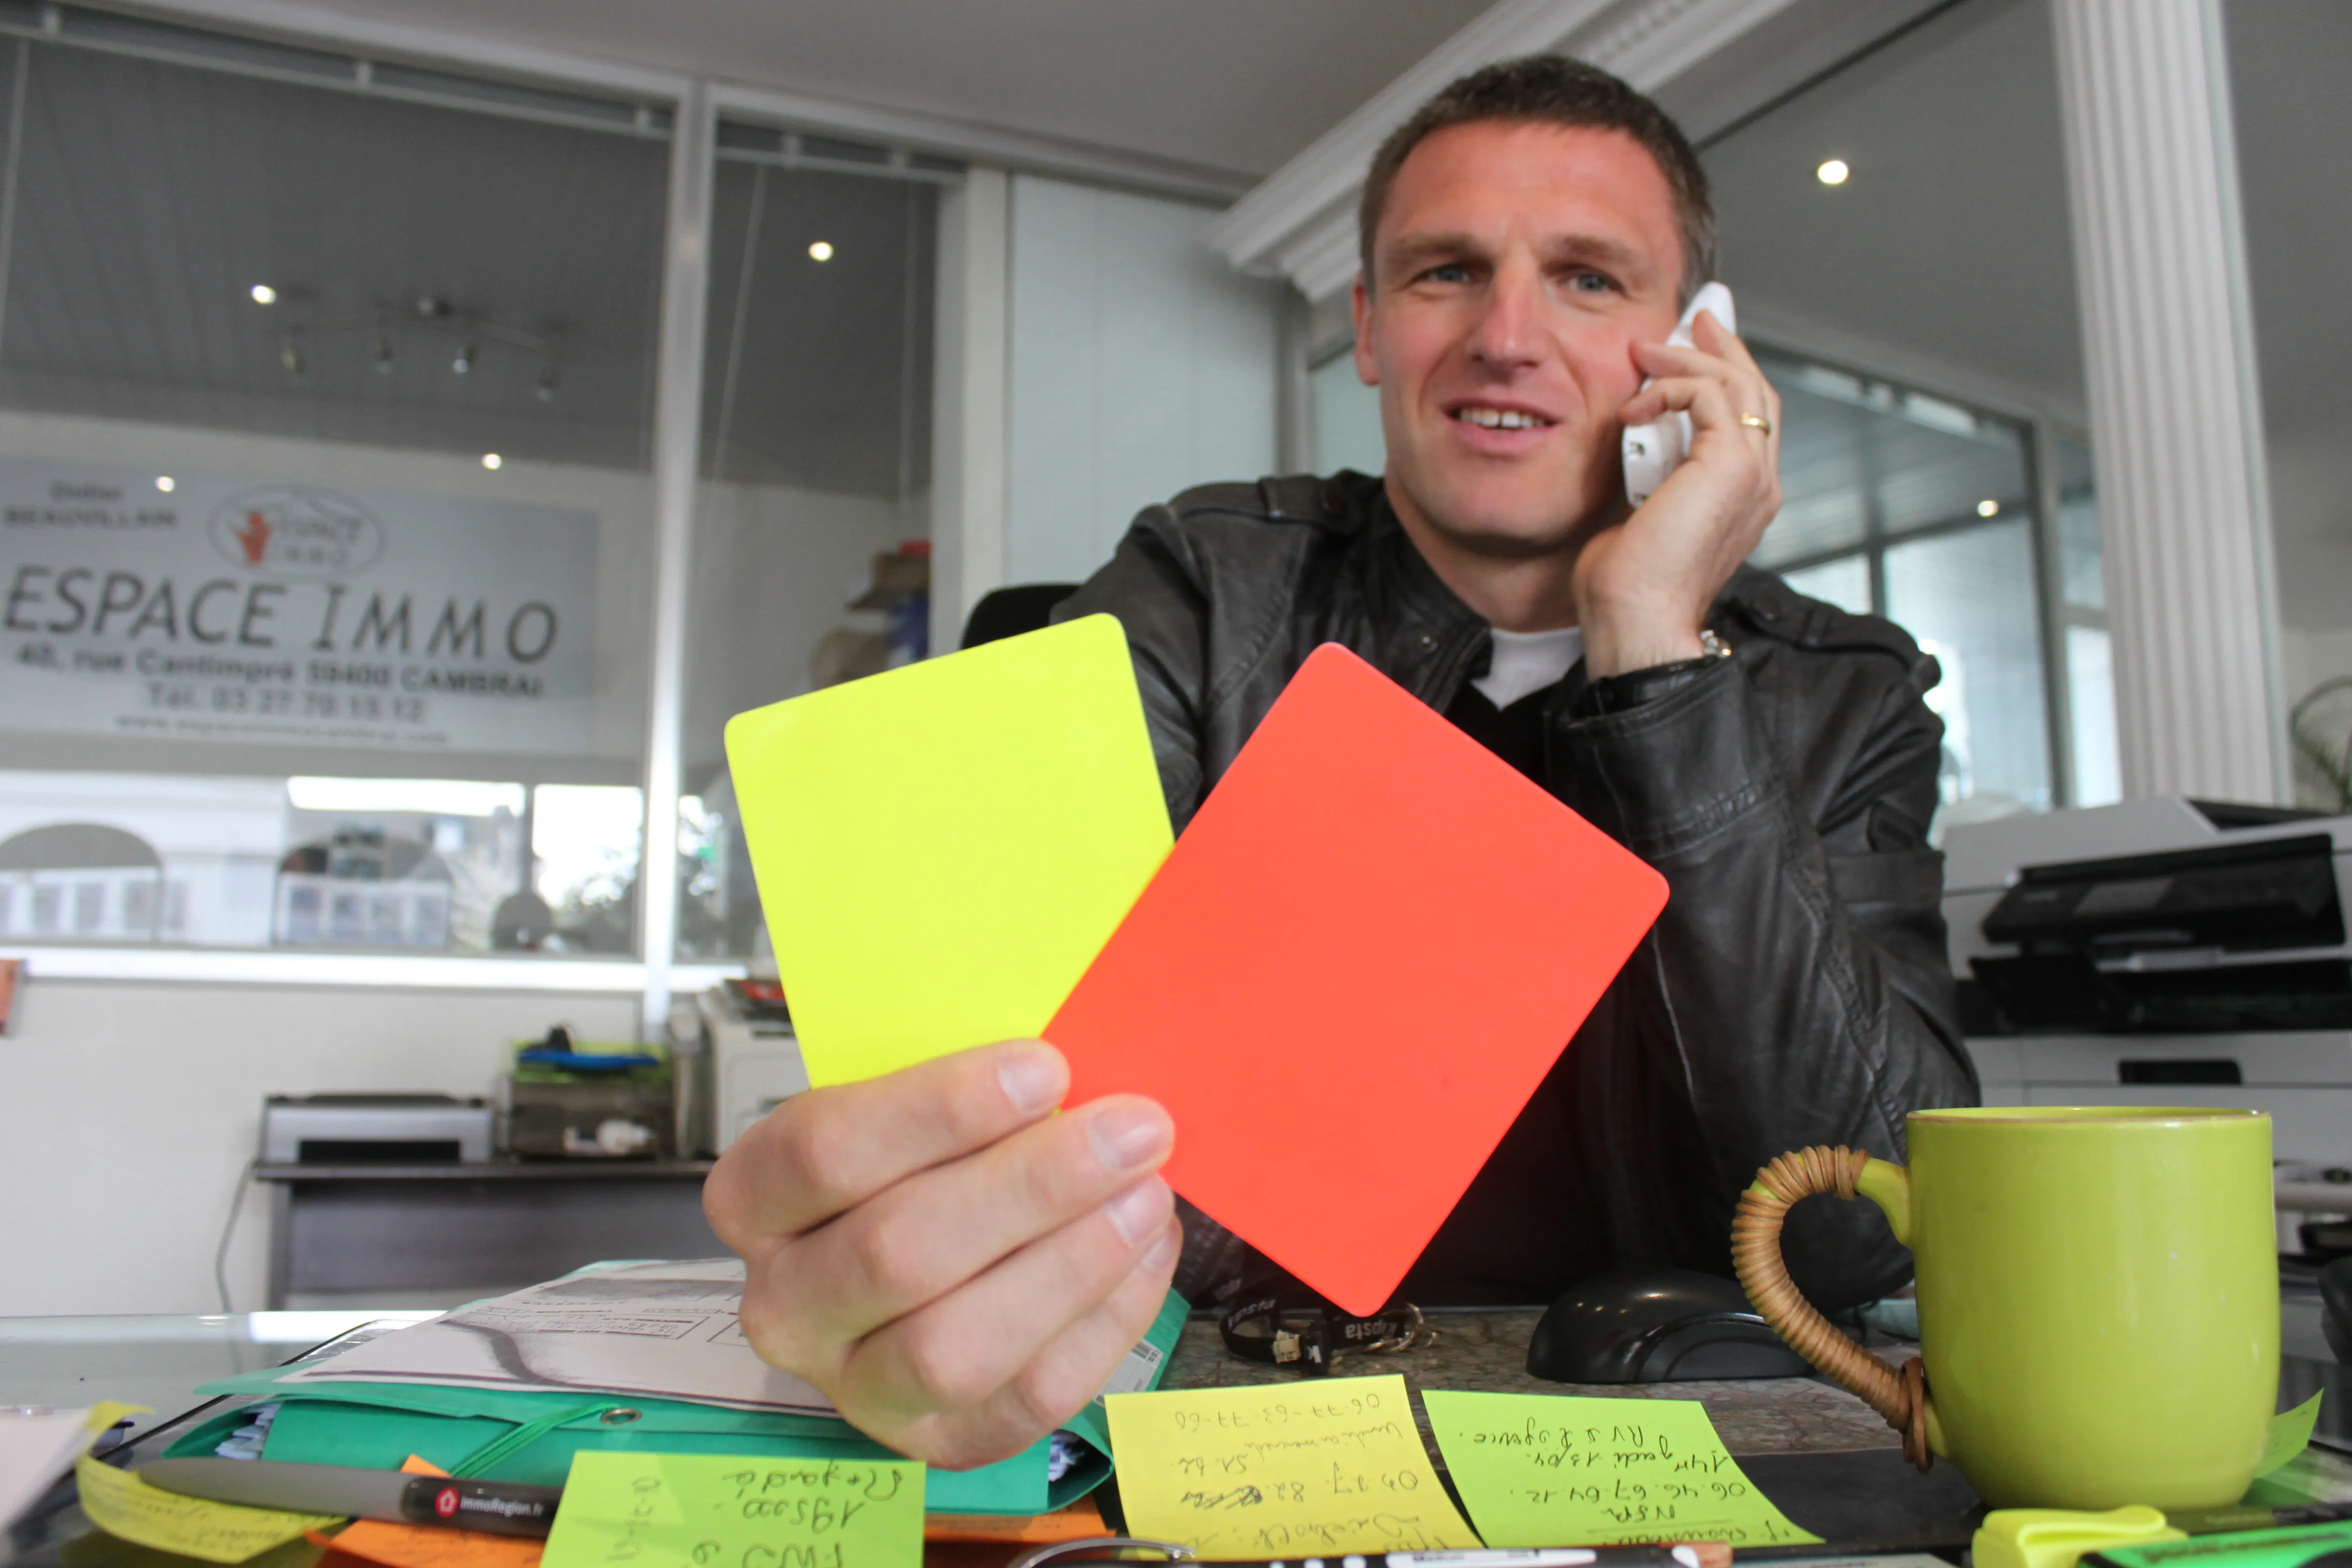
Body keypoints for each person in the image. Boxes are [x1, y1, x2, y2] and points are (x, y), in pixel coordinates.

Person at [704, 54, 1975, 1472]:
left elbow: (1863, 1230)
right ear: (1368, 326)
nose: (1507, 334)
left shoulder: (1845, 693)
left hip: (1685, 1451)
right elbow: (1034, 1106)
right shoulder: (1205, 588)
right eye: (1445, 273)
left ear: (1688, 352)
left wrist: (1658, 648)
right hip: (1248, 1422)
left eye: (1588, 280)